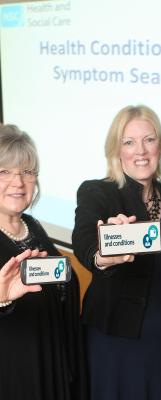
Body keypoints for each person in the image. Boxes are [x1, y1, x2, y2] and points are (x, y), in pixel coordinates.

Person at [72, 105, 161, 400]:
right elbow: (85, 239)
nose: (141, 150)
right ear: (116, 151)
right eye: (129, 142)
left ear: (160, 146)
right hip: (116, 339)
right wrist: (103, 255)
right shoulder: (98, 192)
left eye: (149, 140)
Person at [0, 124, 87, 400]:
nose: (18, 182)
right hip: (13, 378)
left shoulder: (33, 227)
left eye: (26, 172)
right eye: (5, 172)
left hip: (51, 366)